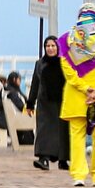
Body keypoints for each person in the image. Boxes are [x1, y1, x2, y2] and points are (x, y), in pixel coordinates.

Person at [59, 3, 95, 187]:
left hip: (77, 96)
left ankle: (79, 175)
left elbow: (68, 71)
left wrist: (85, 89)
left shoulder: (67, 40)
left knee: (77, 136)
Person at [26, 35, 70, 171]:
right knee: (44, 131)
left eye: (53, 46)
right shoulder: (40, 64)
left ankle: (63, 160)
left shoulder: (64, 63)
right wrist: (30, 104)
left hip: (61, 103)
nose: (50, 49)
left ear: (58, 47)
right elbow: (35, 84)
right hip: (44, 103)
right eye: (47, 46)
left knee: (63, 131)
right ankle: (43, 159)